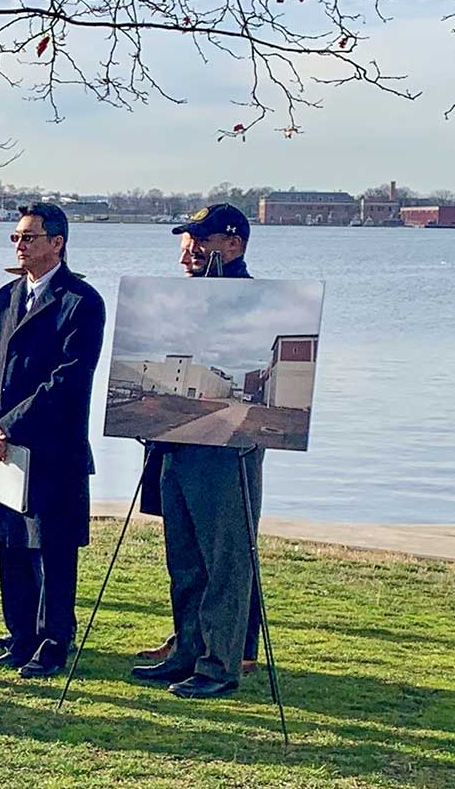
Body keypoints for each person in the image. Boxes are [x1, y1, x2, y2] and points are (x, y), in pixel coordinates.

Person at [131, 203, 265, 699]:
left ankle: (219, 663)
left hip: (226, 452)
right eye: (186, 241)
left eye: (200, 241)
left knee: (224, 561)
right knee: (183, 559)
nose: (188, 251)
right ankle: (186, 650)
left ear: (233, 245)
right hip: (175, 445)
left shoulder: (257, 301)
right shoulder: (179, 302)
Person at [0, 202, 106, 678]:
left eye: (28, 237)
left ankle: (52, 641)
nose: (20, 245)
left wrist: (13, 424)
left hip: (51, 449)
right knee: (9, 544)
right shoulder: (5, 296)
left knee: (52, 547)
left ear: (57, 243)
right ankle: (20, 634)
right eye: (16, 237)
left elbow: (70, 378)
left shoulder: (81, 301)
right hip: (1, 445)